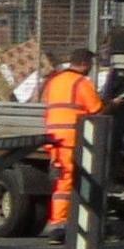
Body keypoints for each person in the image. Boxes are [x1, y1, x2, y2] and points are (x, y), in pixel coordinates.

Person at [42, 56, 103, 229]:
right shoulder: (81, 82)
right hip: (71, 137)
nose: (91, 68)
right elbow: (97, 109)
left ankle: (60, 221)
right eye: (90, 65)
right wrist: (113, 104)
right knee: (67, 181)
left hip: (54, 138)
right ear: (84, 64)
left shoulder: (55, 81)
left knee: (61, 179)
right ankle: (59, 224)